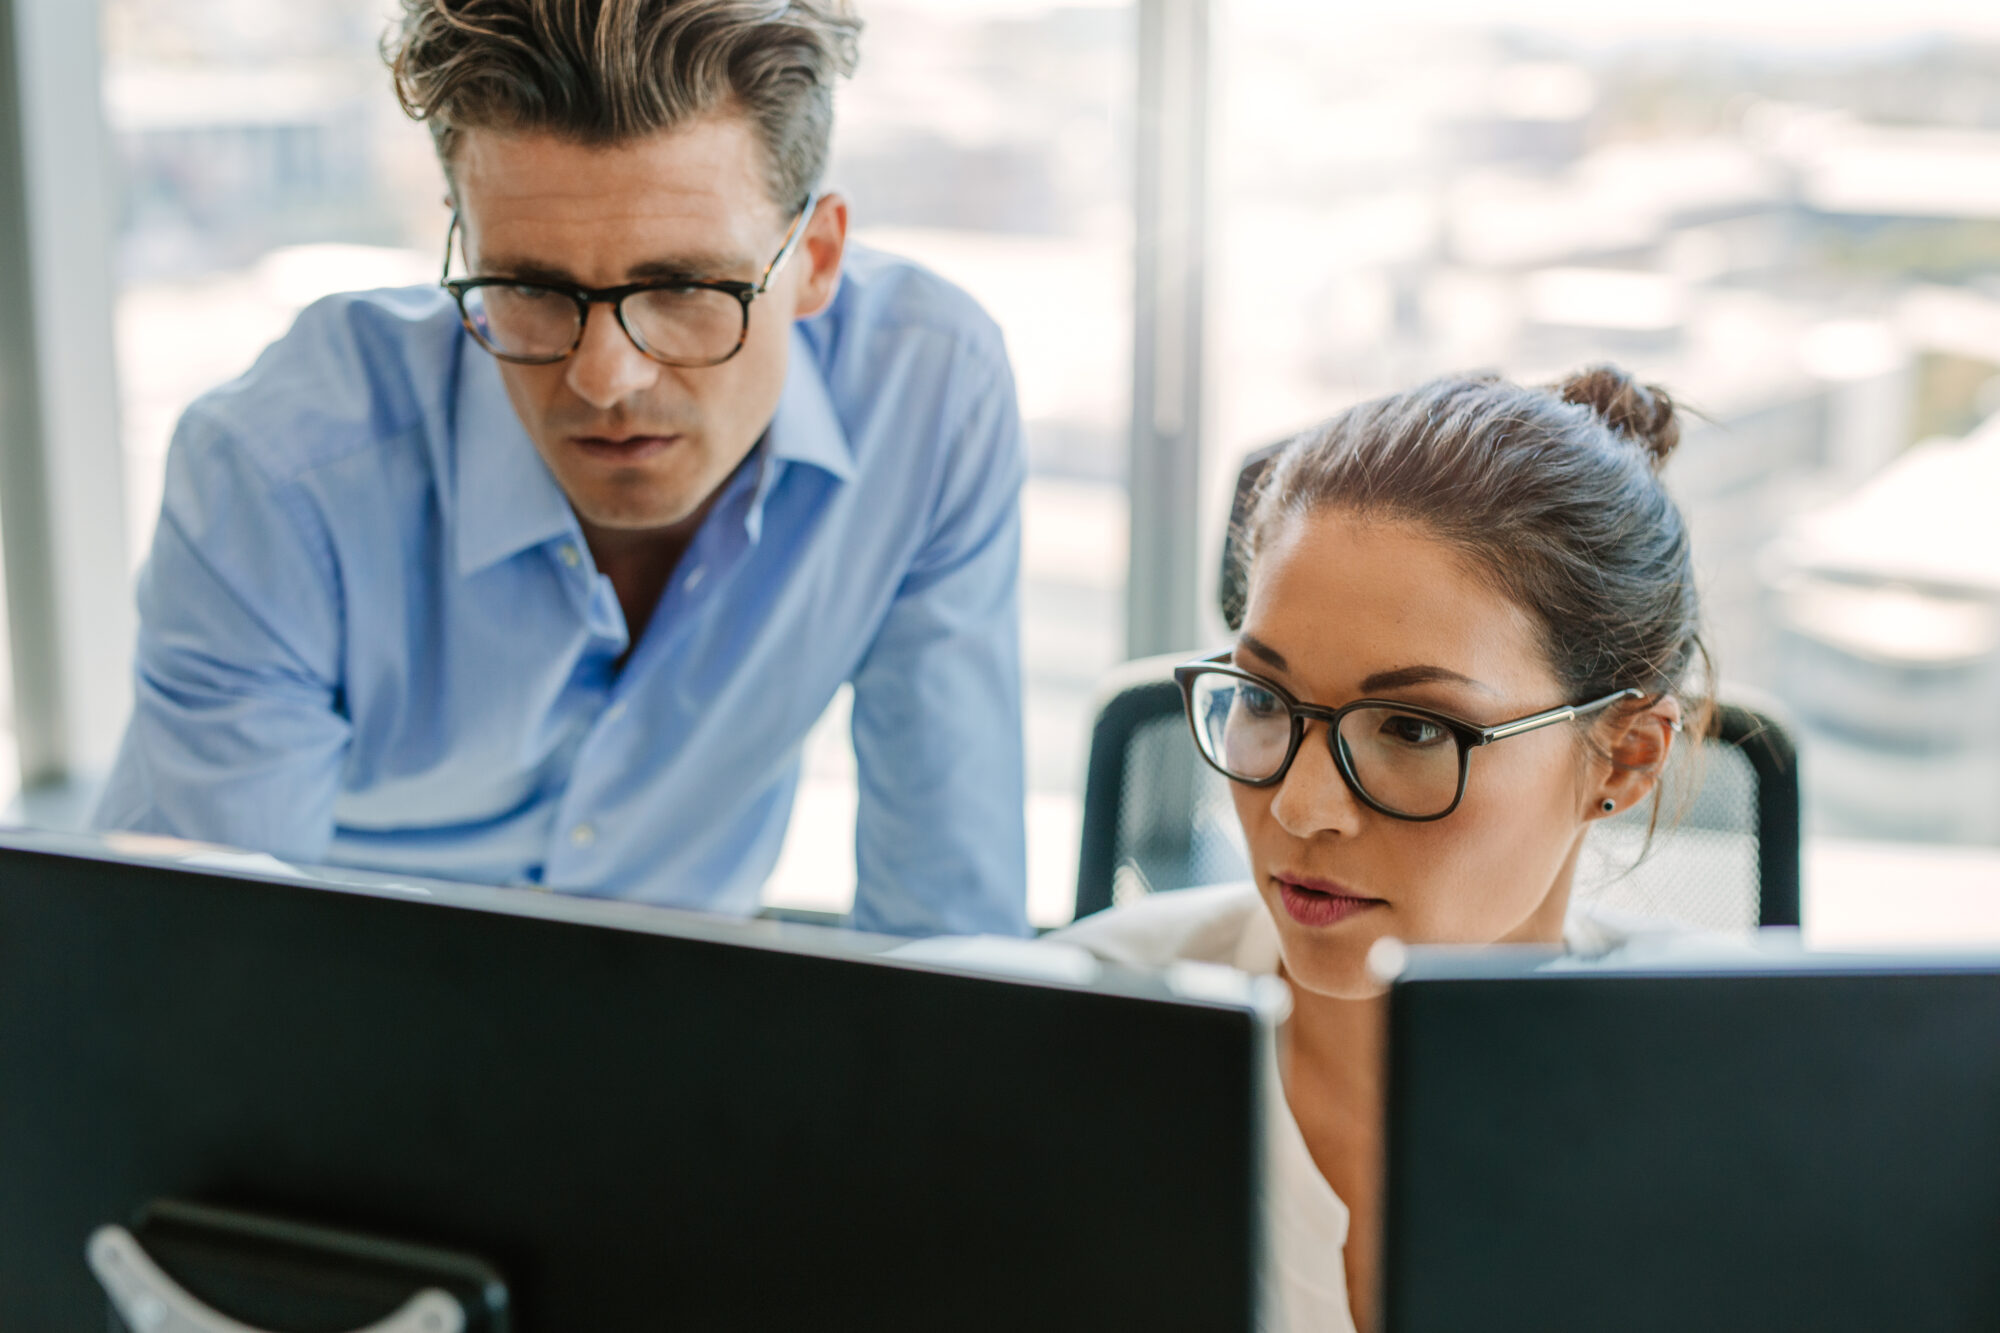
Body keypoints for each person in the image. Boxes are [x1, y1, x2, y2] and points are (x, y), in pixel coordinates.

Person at [94, 0, 1030, 937]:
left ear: (816, 257)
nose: (603, 377)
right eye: (531, 288)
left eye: (682, 287)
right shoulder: (281, 472)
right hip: (339, 1041)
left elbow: (944, 929)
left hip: (692, 1039)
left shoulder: (927, 395)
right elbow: (204, 975)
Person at [1055, 366, 1704, 1331]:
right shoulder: (1062, 1035)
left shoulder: (1732, 1110)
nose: (1303, 807)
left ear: (1628, 756)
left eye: (1412, 729)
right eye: (1265, 701)